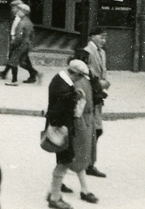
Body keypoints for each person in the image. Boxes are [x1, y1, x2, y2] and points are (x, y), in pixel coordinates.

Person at [46, 60, 94, 209]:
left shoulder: (59, 79)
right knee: (64, 162)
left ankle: (53, 191)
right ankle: (54, 198)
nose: (79, 80)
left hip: (59, 128)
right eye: (79, 77)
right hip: (63, 130)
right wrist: (74, 100)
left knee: (62, 160)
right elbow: (59, 111)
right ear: (75, 73)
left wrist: (74, 93)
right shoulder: (64, 89)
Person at [80, 27, 109, 178]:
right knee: (93, 131)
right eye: (101, 37)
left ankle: (86, 162)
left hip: (97, 97)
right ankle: (86, 163)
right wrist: (100, 83)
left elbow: (102, 71)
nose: (103, 40)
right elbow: (85, 74)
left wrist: (104, 82)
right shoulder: (87, 52)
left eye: (105, 38)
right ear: (92, 37)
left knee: (95, 131)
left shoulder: (102, 52)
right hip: (90, 97)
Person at [0, 1, 38, 85]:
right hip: (24, 45)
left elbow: (19, 36)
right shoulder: (27, 21)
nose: (17, 12)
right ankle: (33, 74)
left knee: (13, 62)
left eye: (19, 11)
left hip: (20, 45)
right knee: (18, 61)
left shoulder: (22, 23)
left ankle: (14, 81)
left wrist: (14, 43)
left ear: (23, 12)